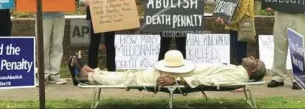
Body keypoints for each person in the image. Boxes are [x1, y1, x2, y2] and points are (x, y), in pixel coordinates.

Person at [68, 50, 266, 88]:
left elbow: (209, 81)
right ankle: (90, 72)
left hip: (178, 76)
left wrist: (177, 81)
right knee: (131, 75)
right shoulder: (238, 70)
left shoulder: (238, 74)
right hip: (179, 71)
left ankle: (90, 76)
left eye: (253, 58)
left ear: (254, 68)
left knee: (131, 79)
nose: (250, 56)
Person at [79, 0, 120, 72]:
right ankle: (93, 70)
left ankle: (111, 70)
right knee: (93, 44)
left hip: (110, 16)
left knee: (110, 43)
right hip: (93, 17)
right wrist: (85, 1)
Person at [35, 0, 67, 85]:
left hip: (59, 14)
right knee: (43, 45)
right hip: (43, 15)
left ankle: (54, 74)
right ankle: (43, 74)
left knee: (57, 44)